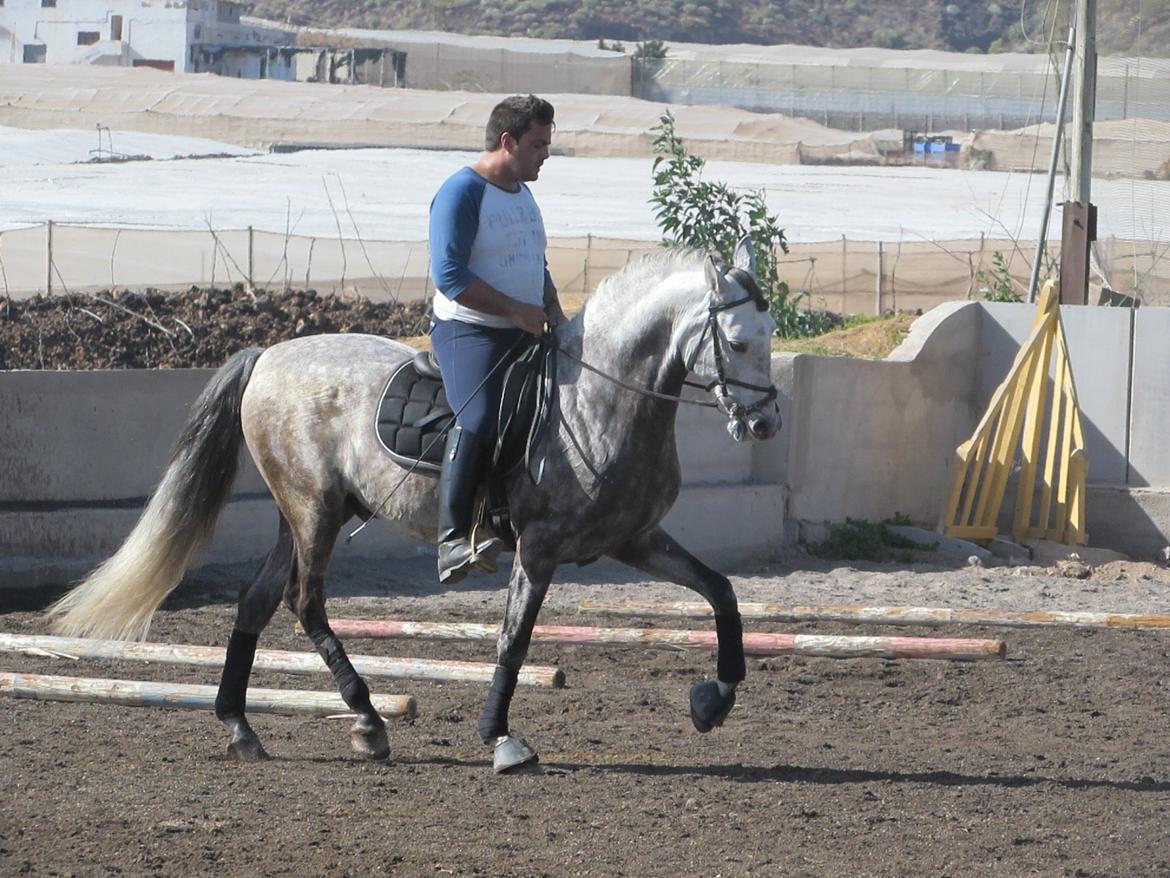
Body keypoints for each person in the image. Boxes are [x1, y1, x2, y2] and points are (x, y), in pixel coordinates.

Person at [427, 94, 567, 584]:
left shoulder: (523, 193)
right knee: (481, 417)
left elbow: (533, 259)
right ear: (507, 141)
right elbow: (448, 274)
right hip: (469, 332)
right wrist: (514, 309)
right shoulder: (462, 192)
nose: (545, 154)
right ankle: (451, 538)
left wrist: (551, 305)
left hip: (525, 326)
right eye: (537, 144)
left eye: (547, 144)